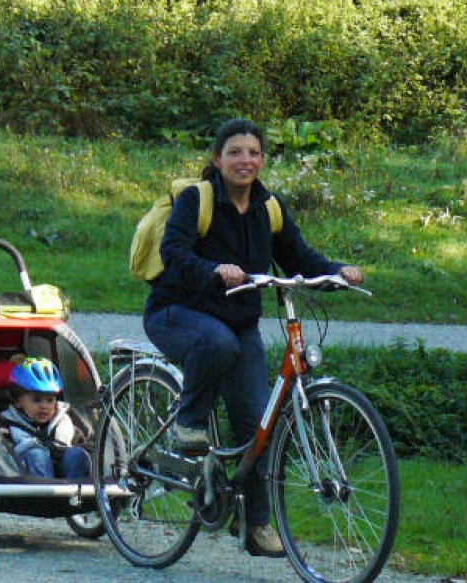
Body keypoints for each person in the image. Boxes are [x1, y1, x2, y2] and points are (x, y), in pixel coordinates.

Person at [141, 118, 363, 558]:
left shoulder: (270, 207)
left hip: (238, 324)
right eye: (235, 152)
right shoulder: (196, 200)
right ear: (217, 159)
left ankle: (256, 523)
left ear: (263, 159)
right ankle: (189, 420)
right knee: (217, 343)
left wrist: (336, 272)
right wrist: (212, 271)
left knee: (259, 425)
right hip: (177, 312)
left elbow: (298, 256)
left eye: (254, 152)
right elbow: (174, 252)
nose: (245, 160)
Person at [0, 358, 91, 480]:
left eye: (50, 400)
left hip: (67, 477)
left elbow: (89, 443)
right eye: (37, 400)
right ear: (17, 401)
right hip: (28, 481)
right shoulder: (7, 425)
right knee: (37, 456)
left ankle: (79, 497)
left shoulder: (64, 420)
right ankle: (46, 499)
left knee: (78, 454)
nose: (44, 406)